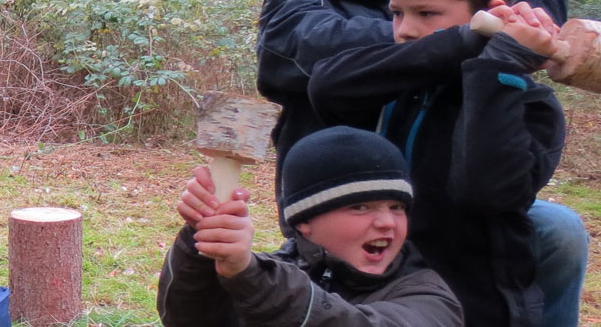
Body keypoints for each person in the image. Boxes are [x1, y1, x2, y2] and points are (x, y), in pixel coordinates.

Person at [306, 0, 581, 326]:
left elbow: (485, 192)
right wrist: (467, 38)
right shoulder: (402, 78)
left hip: (476, 306)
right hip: (386, 296)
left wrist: (498, 65)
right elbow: (326, 86)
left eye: (427, 13)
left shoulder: (526, 101)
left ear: (490, 11)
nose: (406, 30)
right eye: (397, 12)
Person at [255, 0, 566, 217]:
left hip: (435, 198)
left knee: (559, 227)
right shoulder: (292, 0)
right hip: (334, 200)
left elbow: (529, 40)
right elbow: (325, 50)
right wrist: (476, 34)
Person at [157, 126, 461, 326]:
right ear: (303, 222)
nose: (386, 223)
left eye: (396, 208)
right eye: (360, 207)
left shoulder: (430, 298)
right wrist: (204, 240)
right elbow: (190, 319)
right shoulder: (269, 276)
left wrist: (248, 275)